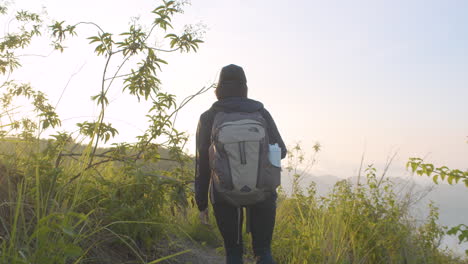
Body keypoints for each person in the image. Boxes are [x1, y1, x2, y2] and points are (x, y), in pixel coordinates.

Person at [195, 64, 287, 264]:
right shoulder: (261, 113)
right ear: (245, 87)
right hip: (262, 192)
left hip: (223, 193)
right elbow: (281, 150)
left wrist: (201, 204)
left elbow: (202, 165)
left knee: (234, 253)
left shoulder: (208, 117)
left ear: (218, 88)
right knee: (263, 251)